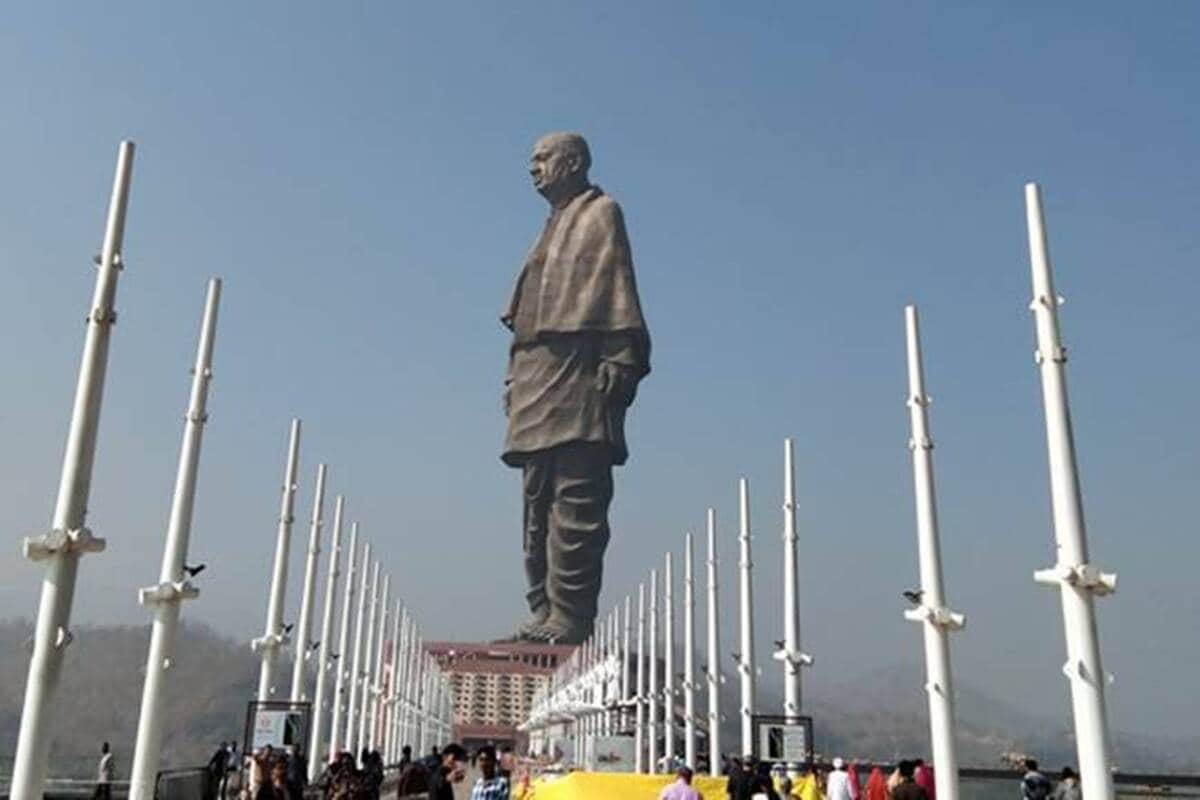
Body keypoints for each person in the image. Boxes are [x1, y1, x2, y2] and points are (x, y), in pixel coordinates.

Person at [501, 131, 652, 645]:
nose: (533, 167)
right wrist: (512, 375)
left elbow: (617, 287)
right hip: (535, 374)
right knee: (535, 506)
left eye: (542, 158)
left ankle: (571, 616)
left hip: (579, 371)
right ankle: (542, 609)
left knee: (576, 500)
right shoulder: (549, 226)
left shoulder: (601, 213)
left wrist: (620, 354)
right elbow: (524, 312)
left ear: (573, 163)